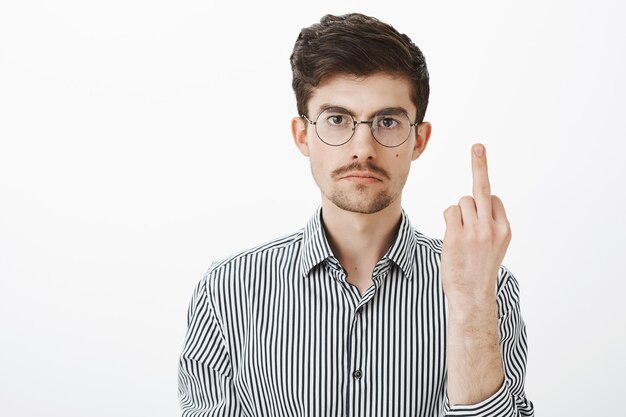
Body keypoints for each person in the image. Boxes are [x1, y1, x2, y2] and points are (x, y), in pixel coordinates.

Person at [177, 12, 534, 417]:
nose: (362, 147)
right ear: (302, 135)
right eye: (336, 119)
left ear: (419, 139)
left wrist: (470, 304)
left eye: (387, 121)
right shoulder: (228, 291)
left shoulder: (489, 288)